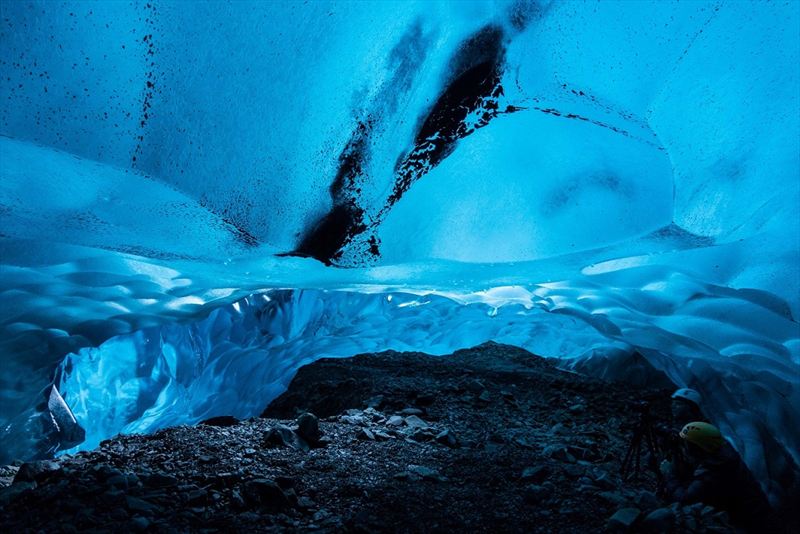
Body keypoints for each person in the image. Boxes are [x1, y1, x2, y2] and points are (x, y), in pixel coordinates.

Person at [662, 421, 778, 533]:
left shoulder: (712, 473)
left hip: (749, 523)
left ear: (696, 449)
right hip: (759, 512)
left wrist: (669, 474)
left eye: (686, 445)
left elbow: (684, 499)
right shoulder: (724, 453)